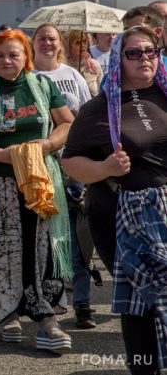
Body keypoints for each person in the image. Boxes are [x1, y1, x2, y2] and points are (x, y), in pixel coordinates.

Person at [62, 25, 167, 375]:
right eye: (133, 53)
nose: (144, 59)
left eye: (150, 51)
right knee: (139, 306)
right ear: (118, 59)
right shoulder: (101, 106)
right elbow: (71, 162)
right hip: (129, 214)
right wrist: (105, 166)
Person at [0, 29, 74, 353]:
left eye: (14, 55)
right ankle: (9, 311)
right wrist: (2, 155)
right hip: (2, 183)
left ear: (26, 57)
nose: (7, 61)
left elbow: (67, 123)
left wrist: (49, 143)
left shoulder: (42, 86)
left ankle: (47, 315)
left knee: (44, 248)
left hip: (40, 178)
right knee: (7, 249)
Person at [31, 23, 96, 329]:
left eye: (52, 38)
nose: (47, 42)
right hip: (38, 168)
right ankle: (49, 298)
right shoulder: (26, 77)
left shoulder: (72, 76)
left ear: (60, 44)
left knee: (78, 236)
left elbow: (86, 114)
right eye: (41, 38)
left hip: (73, 165)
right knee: (47, 237)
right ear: (32, 43)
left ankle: (82, 303)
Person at [63, 30, 103, 96]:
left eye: (84, 42)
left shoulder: (94, 65)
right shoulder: (63, 66)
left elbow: (102, 91)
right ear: (68, 46)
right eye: (78, 43)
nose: (83, 45)